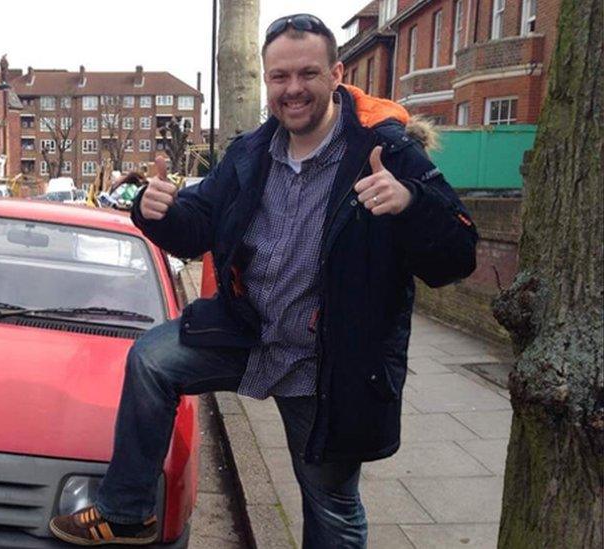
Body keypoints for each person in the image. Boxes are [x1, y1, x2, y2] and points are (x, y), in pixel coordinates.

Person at [50, 13, 478, 548]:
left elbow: (459, 257)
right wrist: (156, 212)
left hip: (329, 366)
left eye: (307, 74)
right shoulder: (250, 153)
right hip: (248, 335)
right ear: (267, 80)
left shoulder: (384, 153)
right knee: (151, 361)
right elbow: (197, 228)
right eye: (279, 77)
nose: (293, 89)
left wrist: (410, 205)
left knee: (332, 508)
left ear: (336, 73)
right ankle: (127, 513)